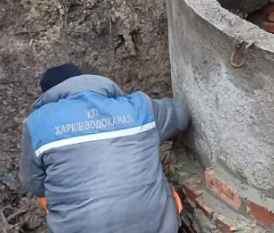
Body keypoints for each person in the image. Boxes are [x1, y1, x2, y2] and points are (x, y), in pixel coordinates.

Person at [19, 63, 190, 233]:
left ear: (49, 96)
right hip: (155, 225)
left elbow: (35, 184)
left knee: (49, 198)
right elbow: (181, 116)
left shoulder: (37, 124)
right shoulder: (138, 107)